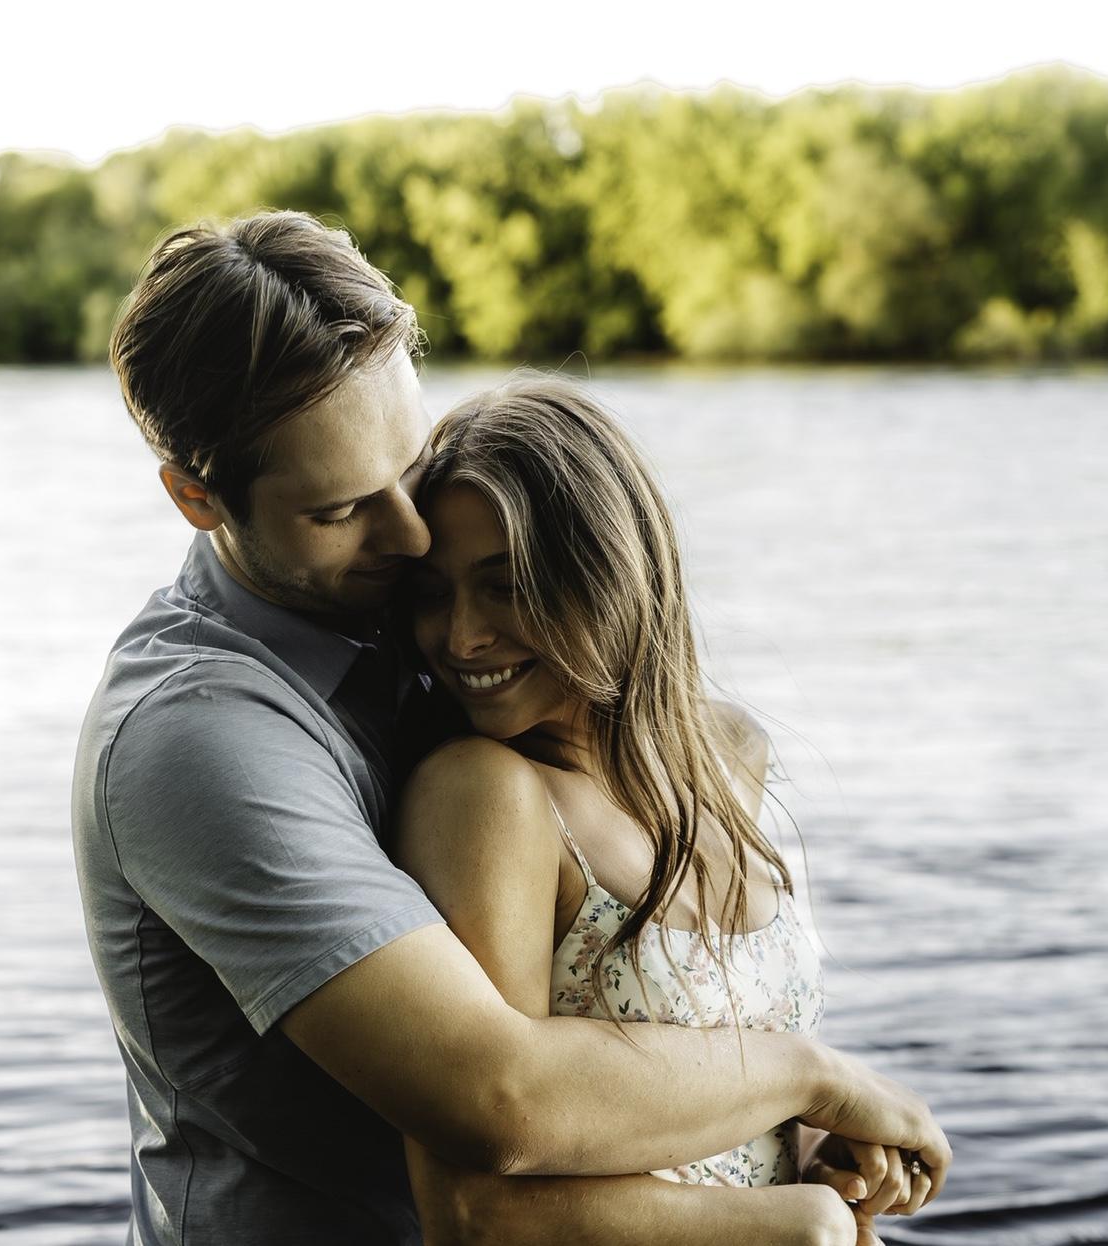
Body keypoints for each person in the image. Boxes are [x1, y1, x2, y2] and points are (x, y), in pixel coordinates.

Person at [72, 209, 950, 1246]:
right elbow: (498, 1097)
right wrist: (810, 1079)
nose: (407, 534)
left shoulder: (412, 626)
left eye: (409, 468)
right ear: (196, 498)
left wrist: (798, 1142)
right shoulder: (198, 736)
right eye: (342, 508)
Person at [393, 377, 933, 1245]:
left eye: (505, 585)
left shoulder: (730, 755)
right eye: (431, 593)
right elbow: (474, 1216)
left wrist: (821, 1155)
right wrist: (791, 1224)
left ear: (607, 570)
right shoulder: (487, 797)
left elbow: (731, 1086)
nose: (460, 637)